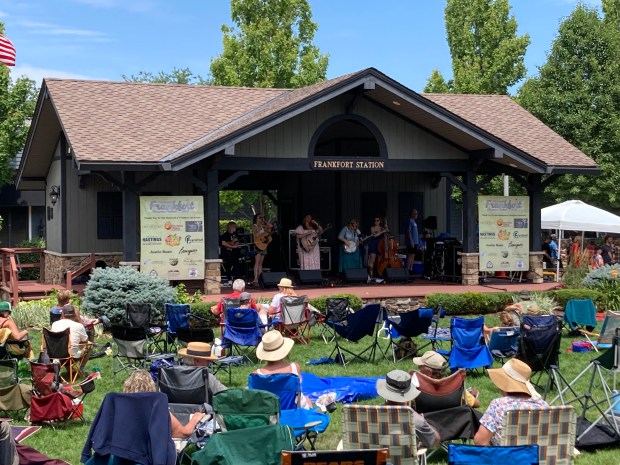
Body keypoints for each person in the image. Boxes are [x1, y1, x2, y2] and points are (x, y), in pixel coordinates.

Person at [474, 358, 549, 446]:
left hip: (506, 458)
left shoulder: (499, 405)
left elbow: (480, 442)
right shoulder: (543, 406)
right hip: (536, 458)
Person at [123, 370, 210, 440]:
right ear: (151, 387)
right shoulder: (157, 409)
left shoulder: (120, 409)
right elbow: (184, 433)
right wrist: (194, 419)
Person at [376, 369, 440, 449]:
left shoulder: (369, 415)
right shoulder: (415, 419)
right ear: (408, 393)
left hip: (375, 460)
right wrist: (425, 422)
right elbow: (434, 442)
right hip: (406, 461)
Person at [253, 330, 312, 408]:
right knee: (308, 400)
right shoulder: (294, 368)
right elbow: (299, 389)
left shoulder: (255, 375)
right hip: (292, 413)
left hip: (268, 415)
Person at [411, 351, 480, 408]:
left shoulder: (417, 386)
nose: (419, 369)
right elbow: (476, 404)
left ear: (429, 372)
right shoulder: (454, 387)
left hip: (425, 421)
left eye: (420, 367)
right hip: (451, 422)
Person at [50, 304, 91, 373]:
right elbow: (86, 341)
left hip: (55, 355)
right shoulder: (79, 326)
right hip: (71, 356)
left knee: (66, 344)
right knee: (89, 344)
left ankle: (68, 368)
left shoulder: (55, 324)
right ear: (75, 314)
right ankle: (81, 369)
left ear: (62, 314)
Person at [251, 214, 272, 286]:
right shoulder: (255, 226)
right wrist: (260, 227)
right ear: (256, 219)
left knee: (261, 263)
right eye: (259, 218)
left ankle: (260, 277)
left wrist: (267, 223)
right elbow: (255, 235)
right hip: (257, 244)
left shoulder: (263, 225)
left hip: (263, 245)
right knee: (257, 262)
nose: (261, 219)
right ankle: (255, 278)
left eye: (261, 218)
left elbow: (270, 229)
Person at [367, 216, 387, 282]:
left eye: (377, 220)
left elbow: (388, 232)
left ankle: (379, 274)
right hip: (374, 245)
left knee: (380, 261)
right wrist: (382, 231)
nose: (376, 222)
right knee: (372, 260)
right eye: (375, 220)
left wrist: (386, 228)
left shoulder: (382, 228)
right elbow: (374, 235)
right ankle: (370, 275)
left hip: (380, 246)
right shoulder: (372, 228)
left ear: (380, 221)